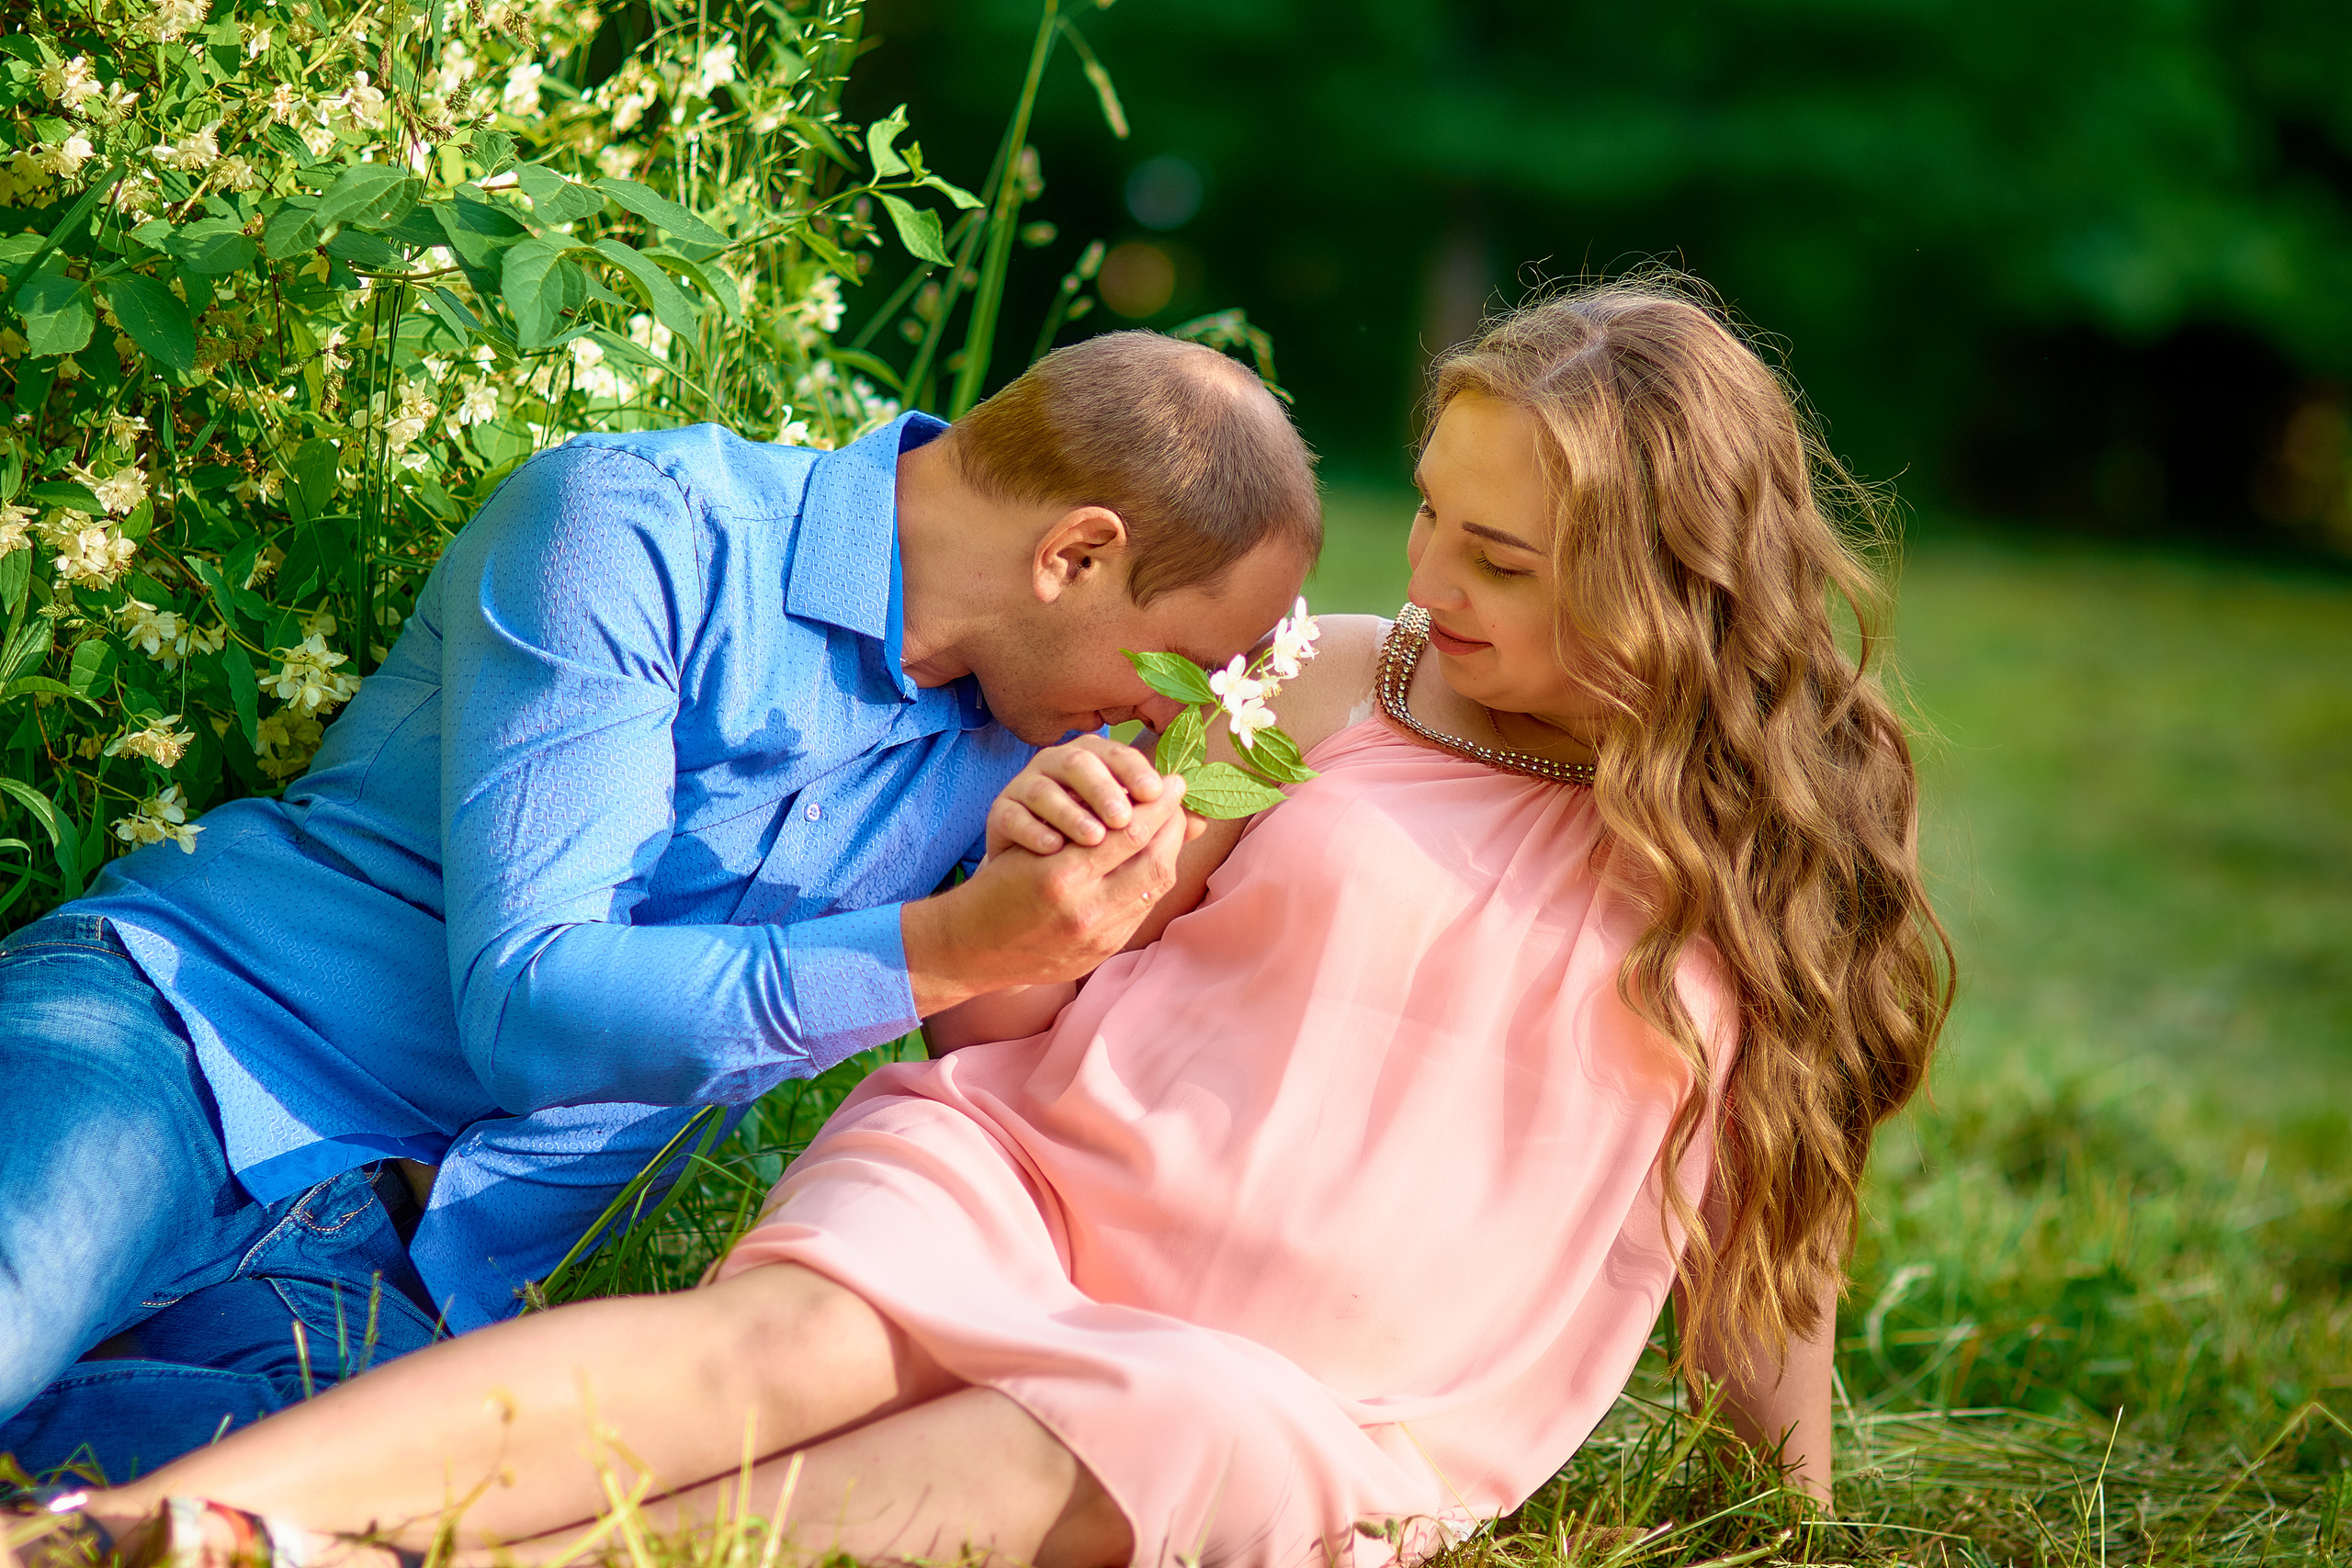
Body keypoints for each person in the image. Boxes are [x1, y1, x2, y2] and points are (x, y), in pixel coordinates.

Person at [7, 279, 1952, 1568]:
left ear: (1668, 581)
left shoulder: (1791, 837)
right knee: (775, 1341)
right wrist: (1048, 867)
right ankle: (168, 1525)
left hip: (1301, 1363)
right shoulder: (1338, 679)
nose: (1427, 574)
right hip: (1028, 1173)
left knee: (1159, 1421)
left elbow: (1778, 1205)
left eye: (1497, 556)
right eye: (1429, 513)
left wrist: (1784, 1505)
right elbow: (1068, 935)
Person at [0, 332, 1320, 1480]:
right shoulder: (640, 524)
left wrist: (1042, 911)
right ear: (1077, 554)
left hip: (400, 1266)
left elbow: (1022, 1060)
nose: (1178, 712)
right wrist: (944, 946)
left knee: (319, 1527)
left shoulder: (1029, 748)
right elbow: (532, 1002)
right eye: (1184, 663)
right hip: (183, 1044)